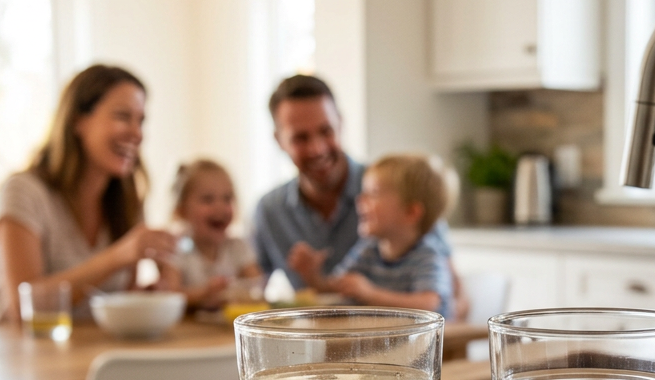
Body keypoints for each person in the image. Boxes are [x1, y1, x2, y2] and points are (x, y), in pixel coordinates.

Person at [251, 74, 468, 318]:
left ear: (341, 124)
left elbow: (454, 299)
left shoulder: (401, 188)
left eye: (326, 131)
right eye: (301, 138)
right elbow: (253, 288)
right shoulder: (269, 211)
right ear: (279, 140)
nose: (317, 148)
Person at [0, 64, 177, 323]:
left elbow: (107, 303)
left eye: (140, 120)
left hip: (91, 355)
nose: (137, 133)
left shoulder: (128, 202)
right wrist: (118, 256)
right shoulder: (24, 192)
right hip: (19, 357)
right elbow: (22, 308)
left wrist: (143, 297)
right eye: (122, 116)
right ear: (77, 121)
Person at [292, 154, 453, 317]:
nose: (360, 199)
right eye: (364, 192)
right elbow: (337, 286)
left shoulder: (428, 255)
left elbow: (429, 304)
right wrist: (313, 276)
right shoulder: (369, 249)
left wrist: (370, 294)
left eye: (373, 193)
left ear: (411, 212)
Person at [167, 158, 261, 310]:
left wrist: (235, 292)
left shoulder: (238, 247)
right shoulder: (175, 249)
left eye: (227, 198)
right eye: (208, 199)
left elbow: (257, 286)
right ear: (182, 209)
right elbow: (169, 295)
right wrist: (203, 294)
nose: (220, 207)